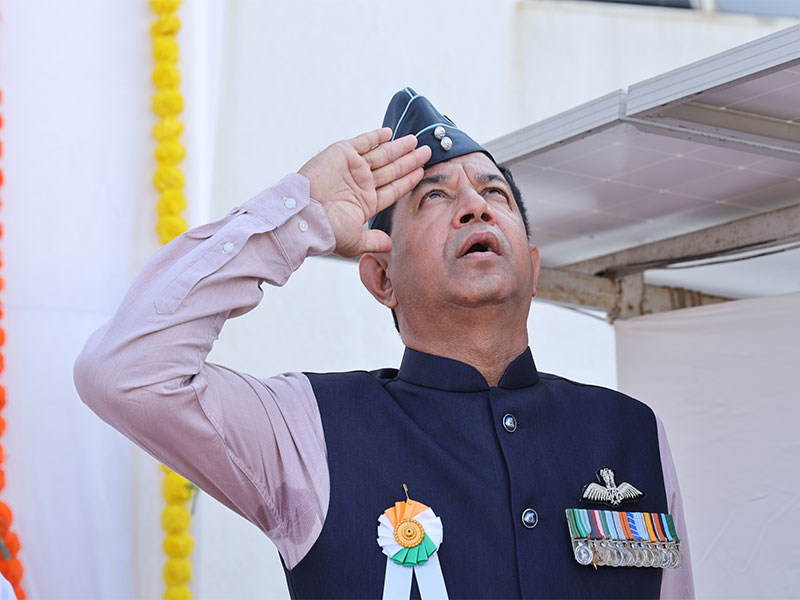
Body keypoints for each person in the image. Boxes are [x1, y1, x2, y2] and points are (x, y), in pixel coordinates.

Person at [74, 88, 694, 599]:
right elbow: (125, 371)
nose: (475, 207)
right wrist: (297, 217)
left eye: (495, 193)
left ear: (532, 268)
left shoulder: (631, 432)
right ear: (382, 278)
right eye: (435, 197)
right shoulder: (310, 431)